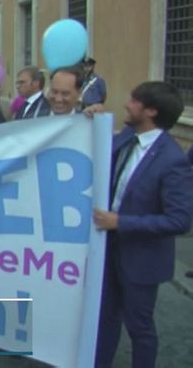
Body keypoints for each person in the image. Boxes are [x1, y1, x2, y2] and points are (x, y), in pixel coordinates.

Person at [92, 81, 193, 368]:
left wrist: (120, 222)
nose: (126, 104)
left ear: (151, 111)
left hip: (142, 261)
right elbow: (99, 147)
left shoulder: (173, 160)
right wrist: (93, 116)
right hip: (109, 252)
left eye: (134, 100)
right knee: (105, 320)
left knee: (139, 328)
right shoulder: (128, 137)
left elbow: (179, 220)